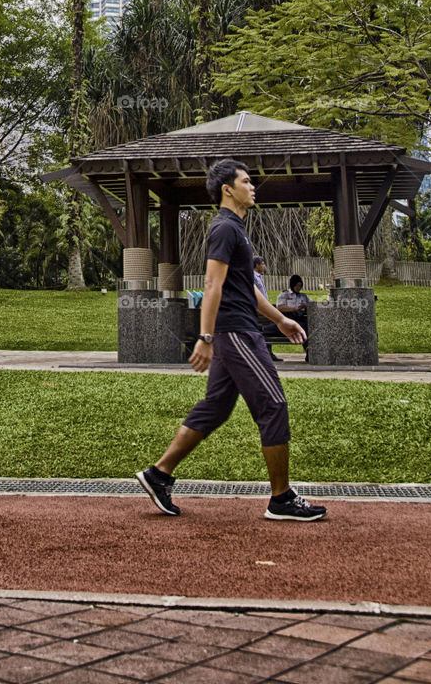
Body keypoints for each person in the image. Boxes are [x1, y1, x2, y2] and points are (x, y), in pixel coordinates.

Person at [136, 159, 327, 523]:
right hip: (236, 332)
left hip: (239, 328)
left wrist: (282, 319)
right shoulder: (224, 228)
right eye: (246, 181)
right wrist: (205, 337)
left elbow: (246, 290)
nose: (253, 187)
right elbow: (212, 285)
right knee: (272, 405)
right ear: (228, 189)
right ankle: (281, 499)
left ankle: (158, 474)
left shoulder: (238, 230)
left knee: (216, 407)